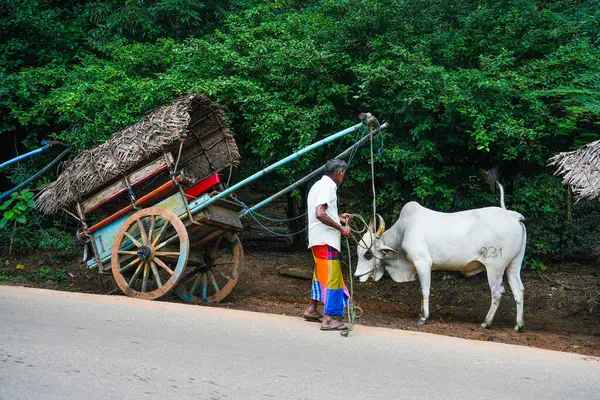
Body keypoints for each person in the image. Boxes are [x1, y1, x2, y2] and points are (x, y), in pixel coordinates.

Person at [303, 158, 352, 331]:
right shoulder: (328, 187)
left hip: (317, 239)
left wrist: (337, 216)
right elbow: (320, 213)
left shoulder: (317, 185)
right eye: (343, 173)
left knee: (320, 274)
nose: (343, 176)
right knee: (332, 277)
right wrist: (341, 228)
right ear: (338, 173)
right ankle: (328, 319)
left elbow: (323, 212)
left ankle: (311, 309)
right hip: (326, 239)